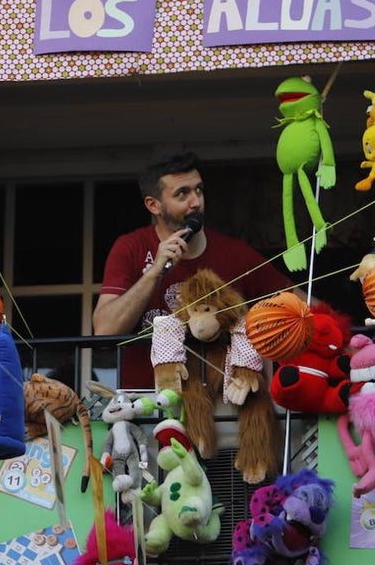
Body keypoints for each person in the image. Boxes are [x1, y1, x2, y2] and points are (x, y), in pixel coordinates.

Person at [93, 149, 296, 389]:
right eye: (182, 194)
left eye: (199, 190)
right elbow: (105, 331)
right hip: (148, 408)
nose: (196, 202)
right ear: (153, 205)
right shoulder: (131, 248)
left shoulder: (235, 253)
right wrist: (154, 272)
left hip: (223, 410)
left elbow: (300, 304)